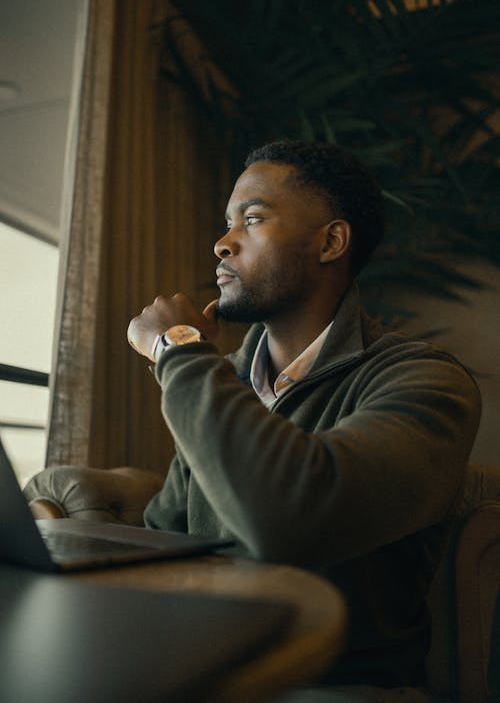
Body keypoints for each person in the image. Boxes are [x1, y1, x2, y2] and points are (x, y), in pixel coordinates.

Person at [127, 140, 480, 691]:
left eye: (253, 218)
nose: (222, 244)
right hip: (207, 667)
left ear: (331, 242)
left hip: (332, 685)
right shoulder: (224, 381)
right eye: (227, 224)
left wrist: (178, 349)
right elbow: (165, 536)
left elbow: (290, 520)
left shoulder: (427, 381)